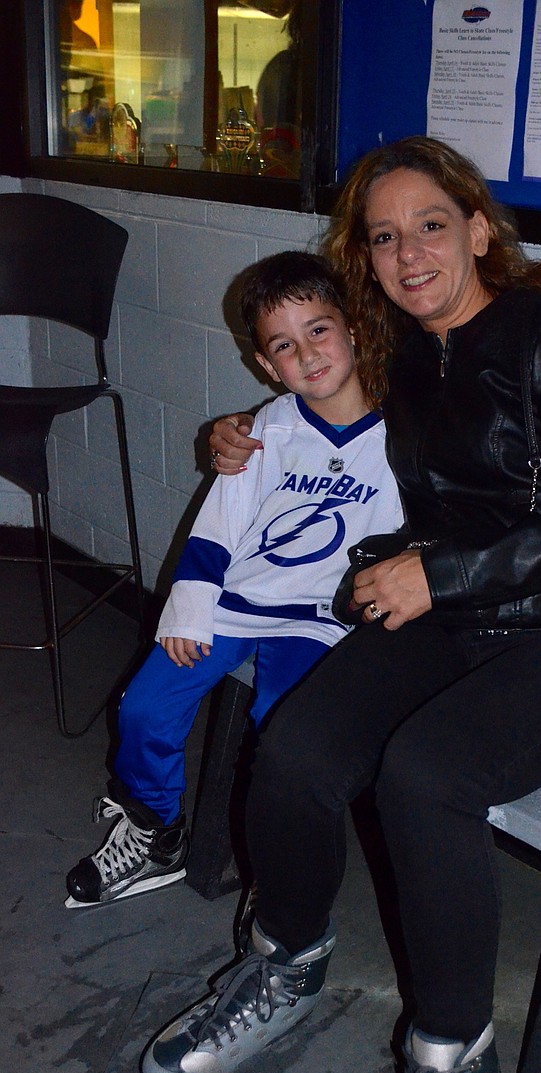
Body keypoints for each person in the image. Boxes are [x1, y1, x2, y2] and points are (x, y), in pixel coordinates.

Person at [141, 137, 541, 1073]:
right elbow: (305, 393)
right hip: (444, 612)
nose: (409, 250)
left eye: (431, 222)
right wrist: (232, 439)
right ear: (363, 260)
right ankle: (283, 957)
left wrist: (440, 575)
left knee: (427, 774)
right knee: (300, 743)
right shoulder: (402, 352)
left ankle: (453, 1064)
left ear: (479, 227)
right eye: (382, 235)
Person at [65, 251, 402, 909]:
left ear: (353, 329)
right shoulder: (268, 427)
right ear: (266, 365)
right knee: (144, 706)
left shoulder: (402, 433)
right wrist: (190, 605)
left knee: (287, 749)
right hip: (238, 600)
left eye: (319, 330)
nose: (306, 355)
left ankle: (283, 879)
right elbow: (219, 524)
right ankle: (155, 828)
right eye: (284, 345)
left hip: (321, 617)